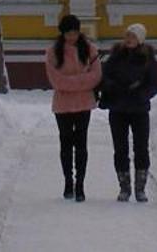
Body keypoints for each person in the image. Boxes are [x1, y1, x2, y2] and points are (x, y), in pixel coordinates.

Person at [98, 22, 157, 202]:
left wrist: (141, 94)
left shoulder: (148, 58)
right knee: (120, 148)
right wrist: (113, 87)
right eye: (127, 36)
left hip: (139, 109)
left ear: (140, 39)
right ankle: (124, 187)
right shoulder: (116, 56)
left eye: (132, 36)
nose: (128, 40)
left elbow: (154, 83)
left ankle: (140, 188)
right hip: (118, 108)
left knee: (141, 147)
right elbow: (104, 77)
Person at [43, 13, 101, 202]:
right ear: (62, 33)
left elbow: (96, 76)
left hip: (84, 104)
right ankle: (68, 180)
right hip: (63, 105)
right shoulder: (53, 52)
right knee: (66, 144)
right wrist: (80, 82)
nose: (72, 37)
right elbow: (56, 81)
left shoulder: (90, 49)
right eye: (68, 33)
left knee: (81, 144)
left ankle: (80, 184)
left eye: (75, 32)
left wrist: (71, 82)